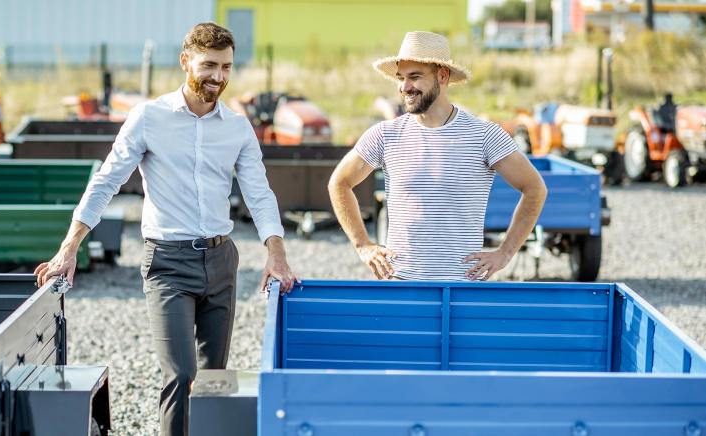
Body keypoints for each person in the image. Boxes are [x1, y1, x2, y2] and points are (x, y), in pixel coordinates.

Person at [34, 22, 297, 436]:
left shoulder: (237, 127)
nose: (218, 77)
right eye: (209, 65)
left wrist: (276, 253)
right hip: (167, 264)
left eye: (226, 67)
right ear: (185, 61)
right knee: (181, 374)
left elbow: (259, 193)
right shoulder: (149, 118)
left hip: (221, 261)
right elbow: (107, 181)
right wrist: (70, 247)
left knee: (214, 382)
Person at [329, 31, 547, 281]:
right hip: (401, 286)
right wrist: (362, 245)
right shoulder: (385, 135)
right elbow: (339, 183)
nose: (404, 87)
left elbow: (534, 188)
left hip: (462, 288)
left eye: (415, 77)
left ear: (442, 76)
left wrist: (505, 253)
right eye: (401, 78)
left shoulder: (484, 135)